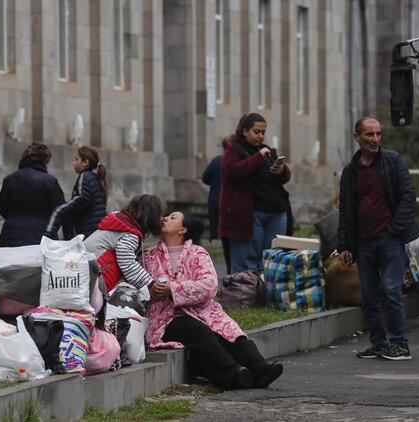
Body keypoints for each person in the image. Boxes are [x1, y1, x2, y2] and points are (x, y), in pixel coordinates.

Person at [143, 211, 283, 389]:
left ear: (183, 230)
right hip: (167, 316)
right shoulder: (149, 257)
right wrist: (154, 289)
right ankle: (233, 374)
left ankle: (261, 369)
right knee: (198, 331)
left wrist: (174, 288)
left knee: (229, 330)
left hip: (201, 309)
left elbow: (209, 285)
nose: (164, 218)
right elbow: (142, 285)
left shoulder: (198, 253)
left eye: (172, 218)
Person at [338, 117, 419, 361]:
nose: (375, 139)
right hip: (363, 242)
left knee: (391, 290)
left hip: (389, 239)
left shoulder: (392, 161)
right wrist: (344, 245)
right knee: (369, 294)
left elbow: (408, 197)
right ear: (357, 137)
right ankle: (378, 343)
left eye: (378, 134)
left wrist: (394, 230)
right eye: (369, 135)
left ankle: (399, 344)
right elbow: (346, 211)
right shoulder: (350, 172)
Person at [219, 113, 291, 274]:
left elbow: (284, 178)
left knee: (272, 258)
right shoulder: (234, 151)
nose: (260, 136)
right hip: (248, 213)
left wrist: (281, 170)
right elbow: (233, 172)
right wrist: (258, 157)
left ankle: (266, 294)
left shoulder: (267, 151)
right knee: (246, 259)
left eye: (263, 132)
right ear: (245, 131)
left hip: (275, 210)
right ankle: (244, 296)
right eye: (256, 132)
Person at [84, 194, 163, 292]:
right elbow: (127, 263)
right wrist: (150, 283)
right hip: (91, 276)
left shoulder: (122, 222)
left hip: (84, 267)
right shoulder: (130, 234)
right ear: (151, 216)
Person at [0, 142, 65, 247]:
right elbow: (60, 209)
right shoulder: (50, 181)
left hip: (11, 234)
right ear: (45, 160)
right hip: (41, 235)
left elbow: (2, 207)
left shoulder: (9, 179)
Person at [44, 146, 108, 239]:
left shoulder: (85, 176)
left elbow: (81, 198)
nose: (73, 163)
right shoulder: (95, 178)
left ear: (85, 162)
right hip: (96, 232)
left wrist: (60, 210)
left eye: (76, 159)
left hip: (88, 233)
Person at [202, 135, 233, 273]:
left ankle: (229, 270)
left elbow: (205, 178)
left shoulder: (216, 161)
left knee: (224, 238)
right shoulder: (236, 161)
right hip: (230, 203)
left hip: (215, 199)